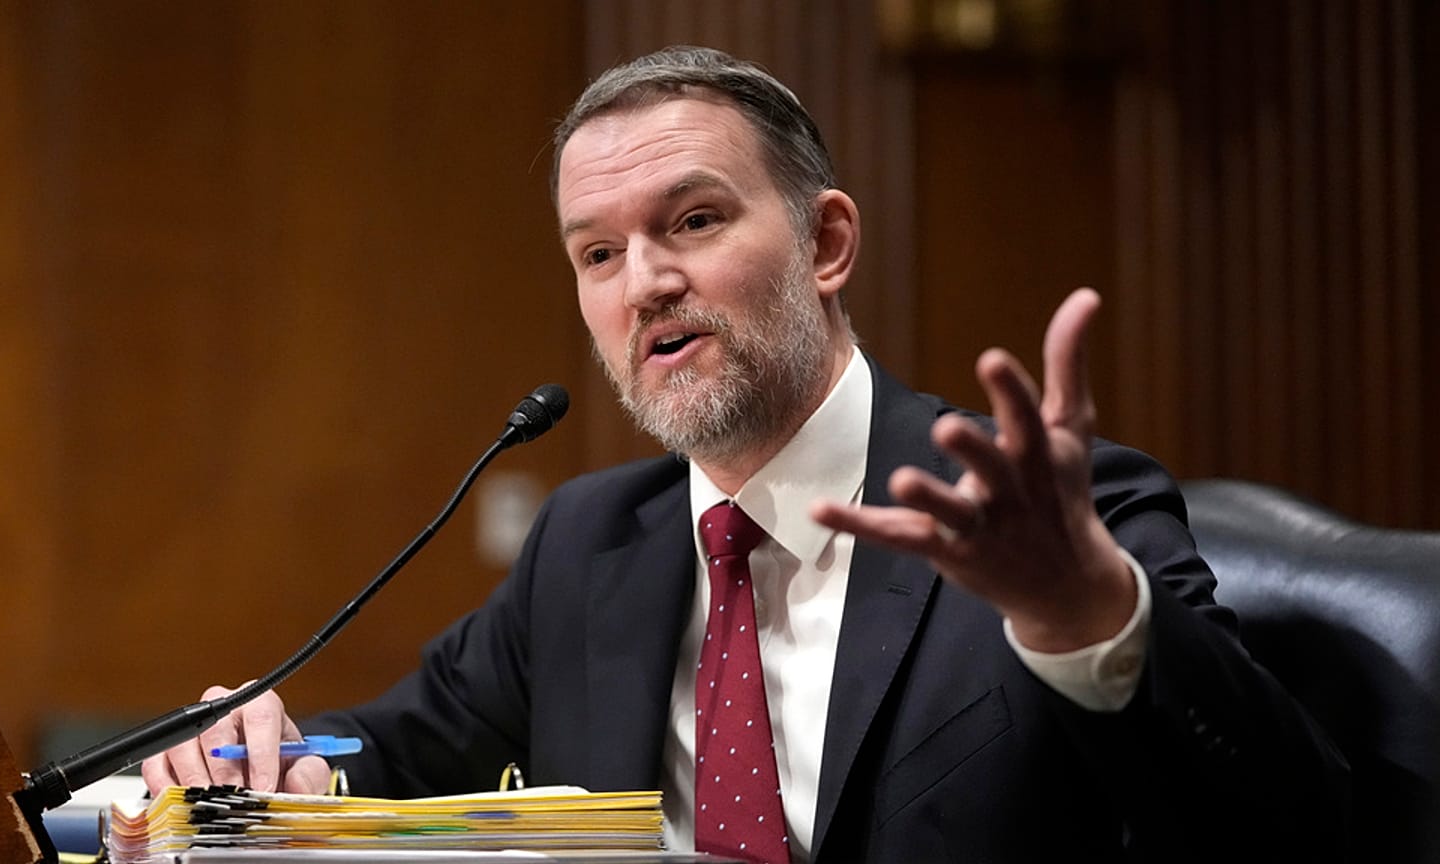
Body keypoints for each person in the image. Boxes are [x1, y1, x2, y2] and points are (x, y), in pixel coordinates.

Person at [144, 46, 1348, 861]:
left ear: (826, 243)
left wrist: (1089, 617)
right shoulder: (588, 544)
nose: (647, 281)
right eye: (598, 254)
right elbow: (396, 756)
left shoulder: (1036, 517)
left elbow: (1291, 826)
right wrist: (269, 756)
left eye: (694, 220)